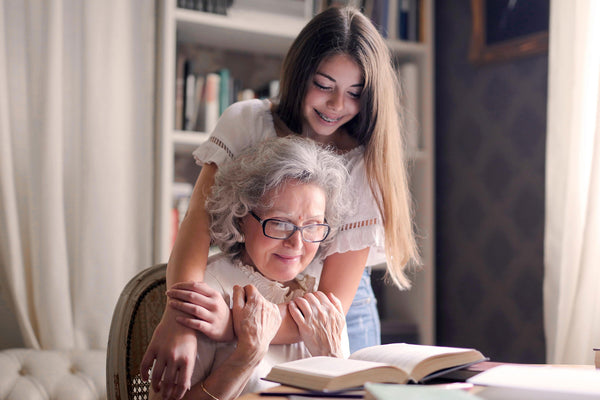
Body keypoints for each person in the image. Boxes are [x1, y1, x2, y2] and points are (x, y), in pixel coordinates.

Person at [141, 6, 420, 400]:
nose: (337, 105)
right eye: (324, 85)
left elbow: (333, 302)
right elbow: (196, 228)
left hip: (332, 309)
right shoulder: (248, 123)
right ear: (299, 74)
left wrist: (230, 327)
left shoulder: (364, 163)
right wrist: (181, 317)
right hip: (247, 288)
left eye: (355, 93)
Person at [149, 136, 352, 400]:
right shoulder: (208, 292)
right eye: (280, 223)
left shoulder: (321, 301)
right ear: (241, 216)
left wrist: (333, 360)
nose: (297, 242)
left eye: (313, 225)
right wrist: (245, 359)